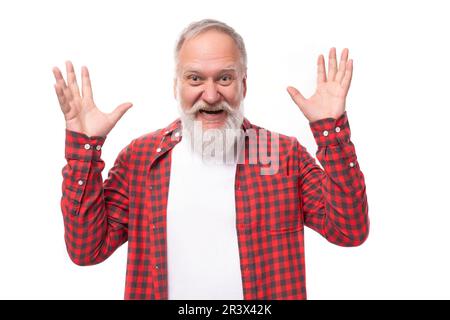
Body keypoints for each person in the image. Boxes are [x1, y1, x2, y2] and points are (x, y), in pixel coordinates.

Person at [53, 19, 369, 300]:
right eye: (194, 79)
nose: (211, 95)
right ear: (175, 87)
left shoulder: (282, 156)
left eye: (224, 79)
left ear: (243, 84)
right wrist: (86, 148)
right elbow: (86, 250)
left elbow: (349, 231)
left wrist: (332, 131)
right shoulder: (141, 159)